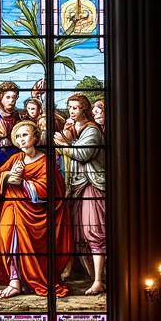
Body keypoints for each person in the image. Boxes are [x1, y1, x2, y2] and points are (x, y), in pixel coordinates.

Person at [0, 121, 71, 298]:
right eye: (18, 136)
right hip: (12, 206)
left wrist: (23, 182)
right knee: (8, 239)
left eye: (25, 135)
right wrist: (7, 176)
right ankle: (14, 280)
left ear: (35, 137)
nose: (21, 139)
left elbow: (52, 189)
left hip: (36, 213)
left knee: (25, 244)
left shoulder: (46, 161)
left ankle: (26, 280)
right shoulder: (15, 159)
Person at [55, 93, 106, 295]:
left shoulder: (92, 130)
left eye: (75, 107)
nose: (71, 111)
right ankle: (92, 277)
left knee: (94, 232)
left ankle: (99, 279)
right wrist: (66, 137)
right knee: (80, 235)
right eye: (70, 107)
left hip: (91, 186)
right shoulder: (73, 127)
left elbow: (83, 154)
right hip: (76, 185)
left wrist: (64, 144)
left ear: (84, 109)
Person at [0, 81, 22, 163]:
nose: (12, 100)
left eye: (14, 97)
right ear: (0, 98)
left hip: (15, 151)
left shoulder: (16, 115)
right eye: (8, 97)